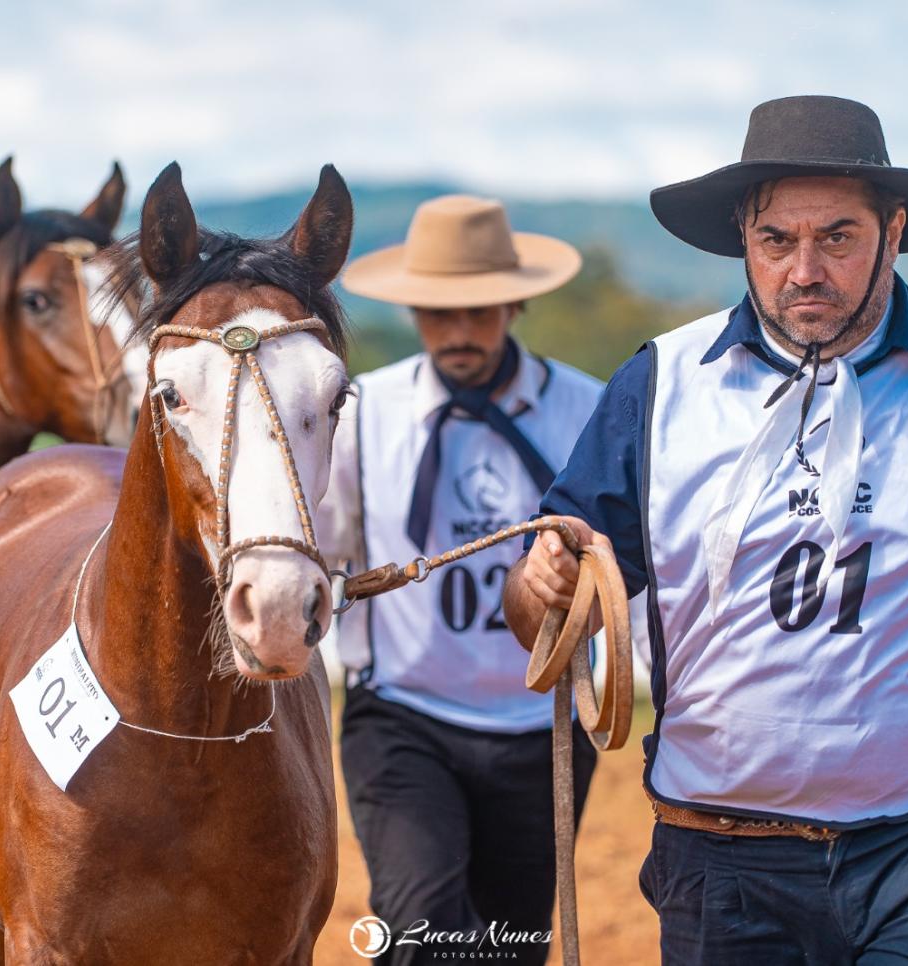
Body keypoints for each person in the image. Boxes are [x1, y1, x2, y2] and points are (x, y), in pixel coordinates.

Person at [503, 95, 908, 965]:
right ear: (744, 235)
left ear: (894, 230)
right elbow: (550, 622)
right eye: (777, 240)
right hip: (719, 863)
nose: (804, 269)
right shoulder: (658, 387)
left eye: (838, 237)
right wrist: (540, 585)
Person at [320, 195, 606, 963]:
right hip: (404, 718)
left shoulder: (587, 410)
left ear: (515, 301)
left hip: (542, 730)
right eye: (437, 313)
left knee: (514, 944)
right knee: (421, 929)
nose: (458, 333)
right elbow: (325, 545)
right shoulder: (362, 412)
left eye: (477, 311)